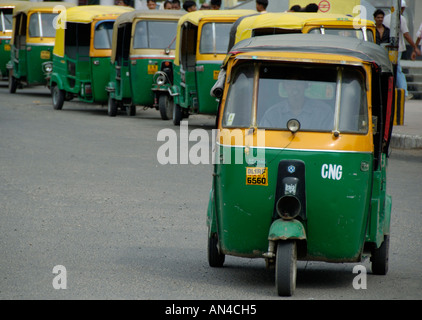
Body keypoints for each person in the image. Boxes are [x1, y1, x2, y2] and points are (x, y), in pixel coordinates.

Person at [259, 78, 334, 130]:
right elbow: (261, 141)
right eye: (290, 82)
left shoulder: (324, 112)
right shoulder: (272, 114)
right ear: (284, 86)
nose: (294, 86)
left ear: (306, 85)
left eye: (299, 82)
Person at [383, 0, 421, 100]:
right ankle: (404, 92)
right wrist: (414, 47)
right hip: (397, 49)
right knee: (398, 69)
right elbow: (406, 35)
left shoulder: (386, 17)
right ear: (402, 8)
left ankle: (389, 90)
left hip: (386, 48)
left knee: (389, 69)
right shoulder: (401, 18)